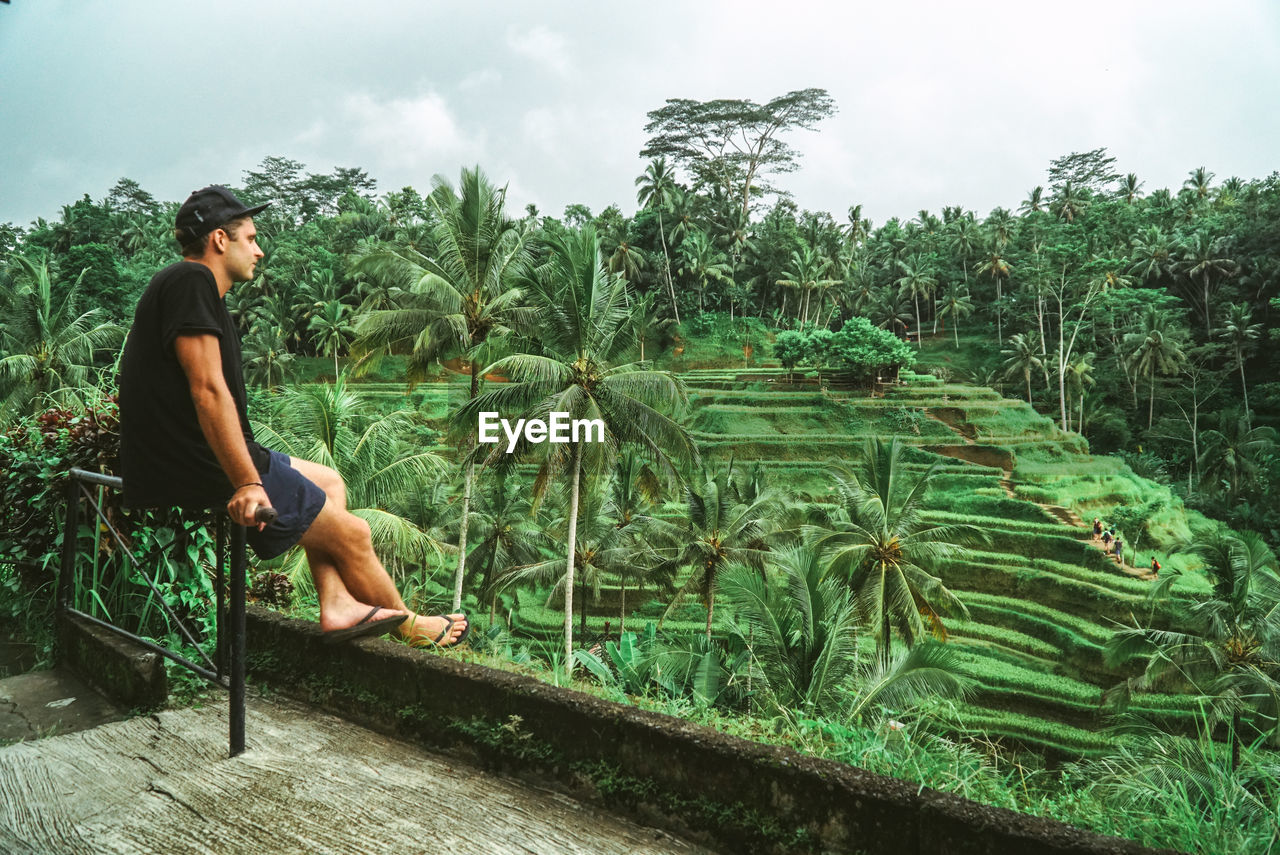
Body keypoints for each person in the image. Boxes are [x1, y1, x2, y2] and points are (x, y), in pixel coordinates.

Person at [119, 186, 467, 647]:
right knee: (354, 534)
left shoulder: (197, 292)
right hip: (201, 463)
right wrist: (246, 482)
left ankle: (337, 604)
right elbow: (206, 390)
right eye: (251, 238)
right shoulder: (191, 282)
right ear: (220, 240)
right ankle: (411, 627)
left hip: (205, 453)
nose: (259, 250)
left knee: (329, 482)